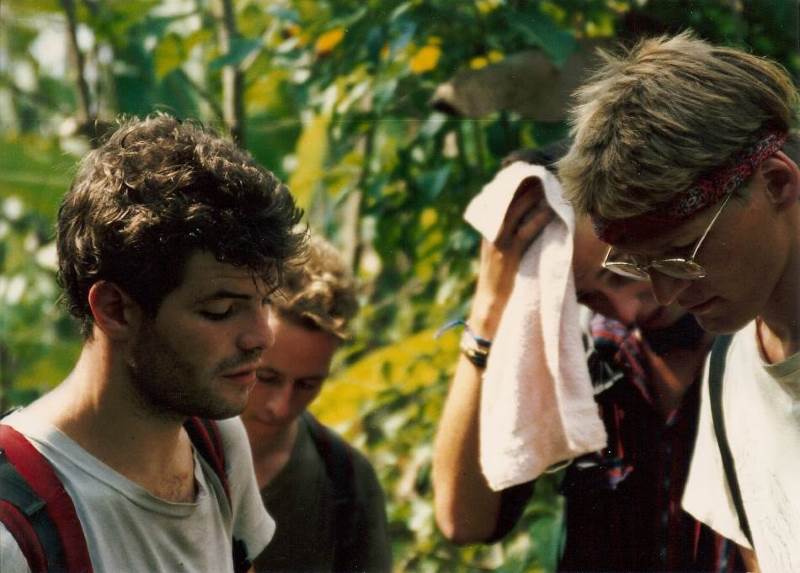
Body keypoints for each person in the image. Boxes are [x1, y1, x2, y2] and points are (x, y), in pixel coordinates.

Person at [0, 114, 305, 573]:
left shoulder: (216, 444)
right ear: (115, 310)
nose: (262, 336)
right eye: (221, 310)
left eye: (264, 302)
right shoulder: (16, 533)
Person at [432, 147, 744, 571]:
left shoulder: (753, 335)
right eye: (589, 296)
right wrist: (487, 312)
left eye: (623, 271)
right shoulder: (579, 358)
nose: (628, 311)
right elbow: (464, 520)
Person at [557, 32, 800, 571]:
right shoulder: (726, 379)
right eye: (641, 267)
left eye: (683, 253)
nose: (667, 294)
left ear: (776, 183)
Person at [241, 235, 392, 573]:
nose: (281, 407)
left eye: (307, 385)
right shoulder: (164, 443)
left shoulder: (347, 482)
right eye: (266, 377)